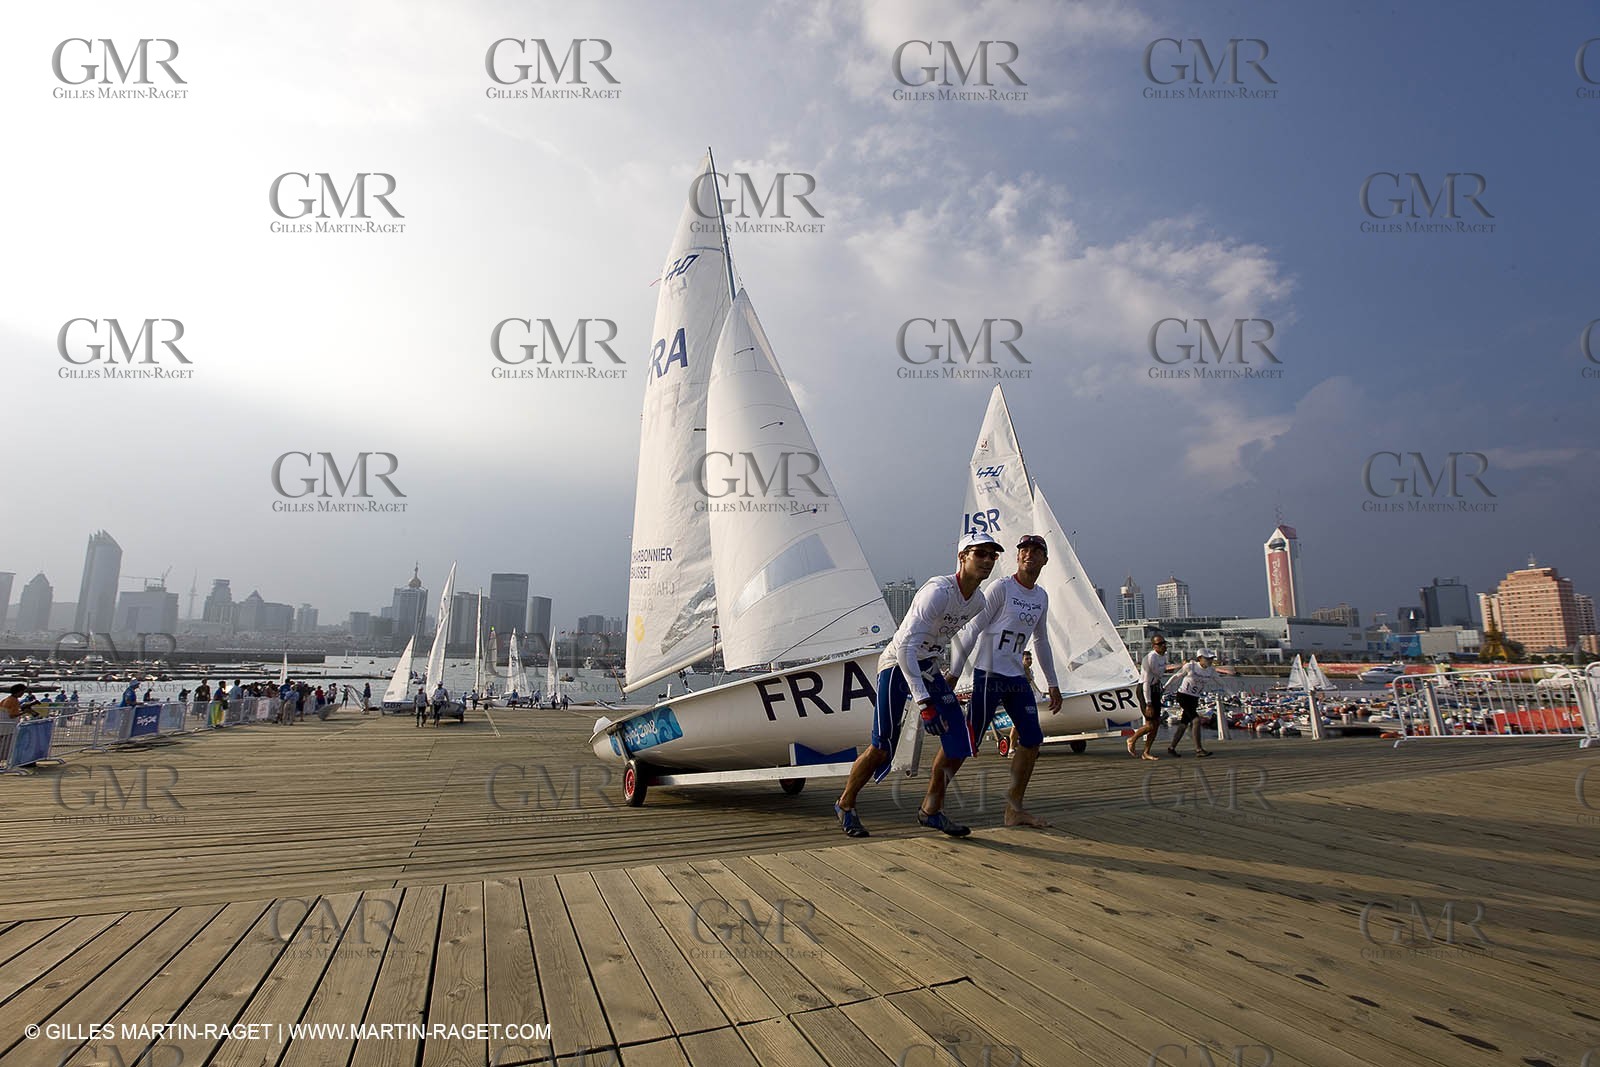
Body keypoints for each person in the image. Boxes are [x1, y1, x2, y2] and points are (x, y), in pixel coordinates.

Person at [833, 531, 1001, 838]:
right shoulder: (938, 591)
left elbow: (961, 637)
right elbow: (906, 649)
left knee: (959, 742)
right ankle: (845, 804)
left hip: (927, 667)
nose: (988, 560)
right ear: (962, 557)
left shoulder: (977, 601)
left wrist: (952, 672)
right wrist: (924, 705)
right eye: (981, 554)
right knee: (882, 745)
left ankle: (930, 811)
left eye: (993, 555)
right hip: (897, 664)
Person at [949, 533, 1064, 829]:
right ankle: (932, 801)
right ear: (1017, 557)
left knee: (1032, 740)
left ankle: (1014, 809)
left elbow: (1040, 640)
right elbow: (973, 629)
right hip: (989, 673)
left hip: (1016, 677)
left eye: (1036, 551)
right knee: (967, 742)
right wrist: (954, 672)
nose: (1029, 554)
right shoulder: (1001, 587)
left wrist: (1052, 682)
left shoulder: (1041, 596)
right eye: (1024, 550)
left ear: (1044, 560)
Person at [1167, 649, 1218, 758]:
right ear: (1200, 658)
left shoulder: (1211, 670)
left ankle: (1171, 748)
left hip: (1194, 698)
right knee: (1196, 720)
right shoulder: (1191, 666)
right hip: (1183, 696)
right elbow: (1176, 676)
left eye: (1211, 659)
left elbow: (1221, 682)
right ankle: (1199, 749)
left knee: (1183, 724)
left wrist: (1232, 694)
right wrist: (1164, 687)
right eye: (1207, 658)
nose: (1210, 661)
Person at [1129, 635, 1167, 760]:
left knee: (1156, 724)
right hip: (1145, 690)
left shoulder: (1163, 657)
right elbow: (1145, 682)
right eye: (1160, 644)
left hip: (1155, 689)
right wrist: (1149, 703)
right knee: (1150, 724)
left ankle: (1146, 752)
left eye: (1164, 643)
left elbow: (1159, 675)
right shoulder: (1150, 659)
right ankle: (1132, 739)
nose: (1163, 645)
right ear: (1154, 646)